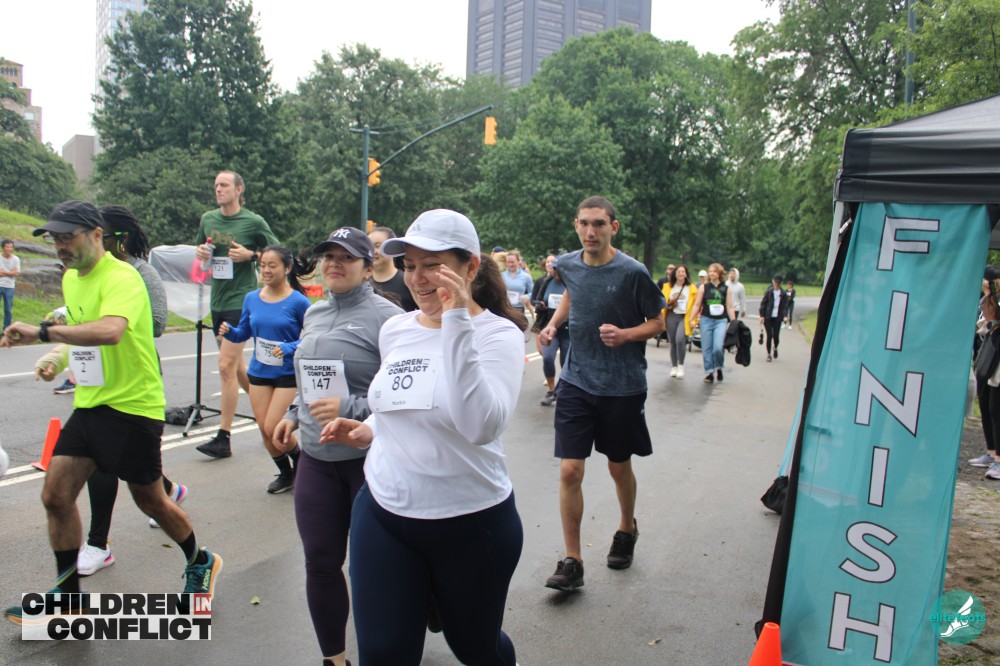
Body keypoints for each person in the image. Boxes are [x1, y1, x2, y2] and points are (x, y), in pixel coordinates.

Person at [319, 209, 526, 665]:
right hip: (384, 512)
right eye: (409, 266)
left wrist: (456, 321)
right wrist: (369, 429)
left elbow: (480, 426)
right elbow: (401, 401)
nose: (417, 279)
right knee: (384, 653)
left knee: (477, 649)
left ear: (470, 267)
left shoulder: (498, 336)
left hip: (470, 523)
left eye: (432, 265)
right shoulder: (396, 329)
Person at [1, 201, 221, 624]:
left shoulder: (123, 276)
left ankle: (200, 561)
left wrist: (42, 331)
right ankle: (69, 595)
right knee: (55, 494)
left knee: (151, 501)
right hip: (92, 403)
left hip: (133, 406)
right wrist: (57, 357)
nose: (60, 245)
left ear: (97, 235)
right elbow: (81, 330)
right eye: (55, 238)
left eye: (68, 237)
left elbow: (111, 329)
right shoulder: (71, 279)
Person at [272, 227, 402, 666]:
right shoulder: (314, 313)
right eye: (328, 256)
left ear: (368, 268)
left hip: (368, 462)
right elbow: (312, 379)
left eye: (346, 257)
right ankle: (335, 659)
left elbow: (404, 395)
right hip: (316, 458)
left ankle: (415, 614)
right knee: (321, 562)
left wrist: (350, 407)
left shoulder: (389, 319)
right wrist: (293, 414)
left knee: (376, 569)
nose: (334, 264)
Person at [538, 196, 665, 592]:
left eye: (599, 224)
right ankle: (573, 560)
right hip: (576, 380)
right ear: (575, 225)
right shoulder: (567, 264)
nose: (590, 231)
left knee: (617, 465)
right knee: (570, 470)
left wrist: (626, 334)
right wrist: (554, 324)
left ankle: (626, 528)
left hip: (622, 386)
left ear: (614, 227)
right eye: (584, 223)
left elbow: (658, 322)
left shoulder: (632, 272)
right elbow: (573, 293)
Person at [77, 205, 188, 576]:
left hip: (135, 377)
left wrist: (118, 314)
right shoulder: (88, 273)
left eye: (101, 235)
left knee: (121, 461)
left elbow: (157, 323)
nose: (94, 242)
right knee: (106, 458)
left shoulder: (142, 272)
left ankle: (102, 542)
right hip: (98, 374)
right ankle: (100, 543)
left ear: (119, 238)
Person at [194, 170, 279, 459]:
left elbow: (279, 253)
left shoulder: (253, 222)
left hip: (241, 301)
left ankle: (223, 437)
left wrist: (251, 256)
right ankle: (268, 417)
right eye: (216, 185)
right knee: (237, 369)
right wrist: (201, 253)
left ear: (239, 190)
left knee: (225, 366)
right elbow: (201, 251)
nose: (218, 189)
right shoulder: (208, 219)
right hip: (217, 300)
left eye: (224, 185)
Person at [219, 245, 312, 494]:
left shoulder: (298, 301)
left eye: (272, 265)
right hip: (259, 372)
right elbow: (244, 332)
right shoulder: (252, 298)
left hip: (286, 374)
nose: (266, 271)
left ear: (287, 268)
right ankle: (286, 473)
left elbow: (312, 336)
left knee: (273, 427)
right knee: (264, 428)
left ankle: (302, 462)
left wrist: (289, 347)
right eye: (262, 266)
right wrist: (230, 332)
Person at [690, 262, 736, 383]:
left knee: (718, 347)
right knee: (707, 348)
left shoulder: (726, 289)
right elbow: (697, 305)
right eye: (710, 271)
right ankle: (709, 372)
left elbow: (730, 306)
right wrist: (691, 318)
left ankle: (719, 367)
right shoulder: (703, 287)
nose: (711, 273)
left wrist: (734, 322)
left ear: (719, 273)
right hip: (706, 319)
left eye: (714, 271)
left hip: (720, 320)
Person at [534, 261, 569, 405]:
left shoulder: (571, 283)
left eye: (560, 270)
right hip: (550, 329)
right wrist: (540, 305)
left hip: (568, 331)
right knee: (547, 357)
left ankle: (563, 391)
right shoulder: (547, 282)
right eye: (555, 269)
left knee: (566, 364)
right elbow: (536, 301)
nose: (557, 272)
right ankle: (552, 390)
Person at [369, 225, 417, 311]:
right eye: (369, 247)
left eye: (377, 246)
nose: (373, 252)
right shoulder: (362, 283)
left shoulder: (408, 281)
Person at [663, 265, 698, 379]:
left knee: (680, 340)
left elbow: (696, 305)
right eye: (678, 271)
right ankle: (674, 366)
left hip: (685, 317)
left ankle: (681, 365)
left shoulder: (691, 288)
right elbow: (662, 301)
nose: (681, 274)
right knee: (672, 341)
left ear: (686, 274)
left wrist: (694, 319)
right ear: (675, 274)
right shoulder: (668, 286)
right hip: (671, 315)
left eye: (683, 272)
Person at [758, 274, 788, 362]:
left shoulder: (783, 294)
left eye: (778, 283)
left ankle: (775, 347)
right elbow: (763, 304)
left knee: (776, 336)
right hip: (768, 317)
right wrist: (761, 315)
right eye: (775, 282)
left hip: (778, 317)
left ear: (781, 283)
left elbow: (785, 306)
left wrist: (785, 316)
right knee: (769, 335)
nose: (777, 284)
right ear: (773, 281)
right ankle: (768, 354)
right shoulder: (769, 292)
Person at [502, 250, 535, 317]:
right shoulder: (501, 275)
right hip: (505, 308)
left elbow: (534, 293)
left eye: (512, 262)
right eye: (508, 262)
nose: (510, 264)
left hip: (519, 309)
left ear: (518, 261)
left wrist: (526, 297)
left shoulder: (526, 276)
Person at [0, 239, 20, 332]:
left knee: (8, 310)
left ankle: (6, 331)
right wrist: (10, 273)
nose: (9, 249)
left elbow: (16, 273)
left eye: (11, 247)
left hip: (10, 287)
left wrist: (4, 272)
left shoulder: (16, 259)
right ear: (3, 248)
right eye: (7, 247)